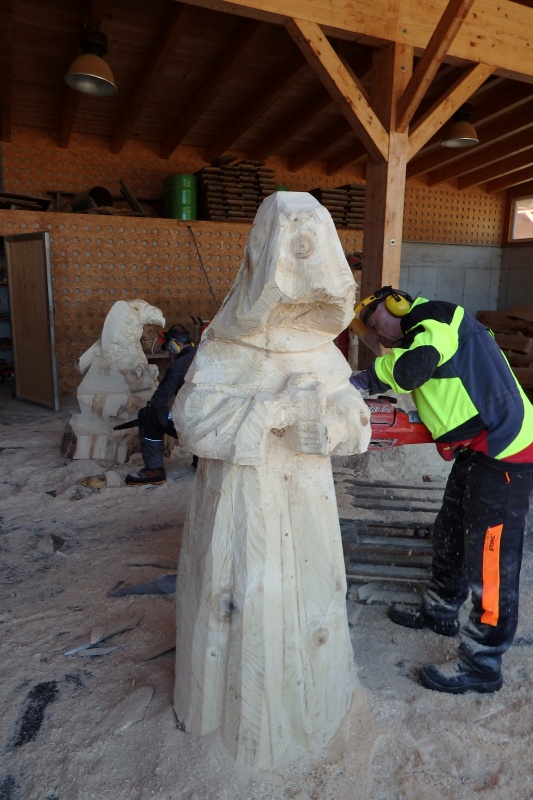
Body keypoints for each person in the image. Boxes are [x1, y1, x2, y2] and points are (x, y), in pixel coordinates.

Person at [350, 286, 533, 694]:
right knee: (449, 531)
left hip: (506, 450)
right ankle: (441, 609)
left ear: (396, 304)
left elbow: (411, 371)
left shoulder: (435, 318)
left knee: (490, 558)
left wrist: (364, 379)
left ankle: (483, 662)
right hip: (476, 448)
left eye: (376, 324)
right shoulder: (419, 337)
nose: (378, 337)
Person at [126, 324, 196, 486]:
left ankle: (154, 471)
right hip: (214, 426)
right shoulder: (204, 357)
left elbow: (158, 402)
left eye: (169, 349)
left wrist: (158, 407)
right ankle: (200, 459)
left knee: (147, 415)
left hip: (193, 425)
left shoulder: (179, 364)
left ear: (173, 346)